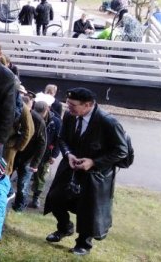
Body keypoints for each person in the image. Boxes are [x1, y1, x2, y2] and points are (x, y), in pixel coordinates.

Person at [43, 87, 129, 256]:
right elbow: (62, 138)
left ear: (88, 105)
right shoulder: (70, 116)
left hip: (96, 174)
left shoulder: (108, 122)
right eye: (68, 104)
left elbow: (121, 151)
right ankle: (65, 228)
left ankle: (84, 244)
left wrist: (93, 162)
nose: (69, 108)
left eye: (73, 105)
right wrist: (68, 154)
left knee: (88, 208)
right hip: (71, 166)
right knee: (55, 197)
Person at [12, 92, 47, 212]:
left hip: (28, 157)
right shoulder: (15, 114)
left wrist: (35, 163)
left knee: (22, 185)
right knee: (6, 179)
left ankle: (19, 208)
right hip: (14, 153)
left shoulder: (38, 121)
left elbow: (42, 143)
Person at [29, 99, 61, 209]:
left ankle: (35, 198)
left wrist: (54, 155)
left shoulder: (56, 122)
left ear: (47, 109)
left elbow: (58, 139)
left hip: (46, 153)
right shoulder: (32, 116)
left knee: (41, 176)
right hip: (31, 151)